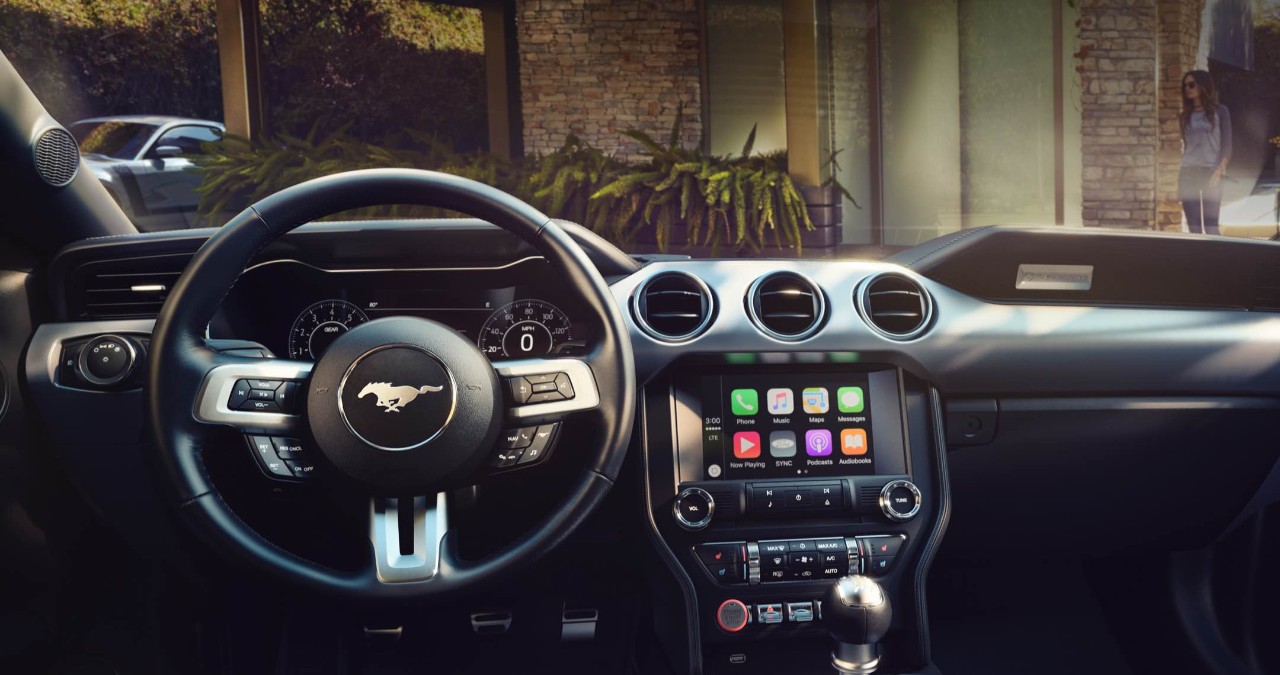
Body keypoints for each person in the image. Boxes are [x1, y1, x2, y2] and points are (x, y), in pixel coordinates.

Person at [1178, 70, 1232, 235]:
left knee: (1211, 226)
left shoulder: (1221, 111)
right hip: (1188, 173)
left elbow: (1227, 145)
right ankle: (1196, 261)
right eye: (1185, 85)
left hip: (1211, 172)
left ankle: (1216, 260)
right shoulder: (1184, 116)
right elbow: (1188, 145)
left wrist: (1220, 169)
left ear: (1202, 86)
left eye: (1192, 84)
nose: (1188, 88)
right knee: (1193, 228)